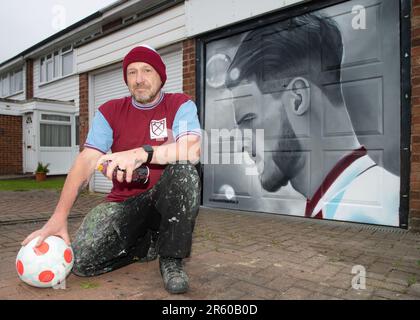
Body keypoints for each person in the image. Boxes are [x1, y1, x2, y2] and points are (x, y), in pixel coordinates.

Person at [22, 45, 202, 294]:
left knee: (185, 172)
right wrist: (59, 215)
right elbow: (86, 161)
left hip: (164, 201)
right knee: (83, 262)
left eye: (147, 70)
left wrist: (141, 153)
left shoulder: (179, 104)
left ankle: (171, 258)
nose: (139, 79)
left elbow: (192, 149)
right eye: (132, 72)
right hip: (125, 204)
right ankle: (144, 245)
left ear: (161, 76)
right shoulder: (110, 111)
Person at [224, 14, 399, 226]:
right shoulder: (345, 200)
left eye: (249, 120)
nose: (242, 144)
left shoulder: (362, 213)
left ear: (298, 98)